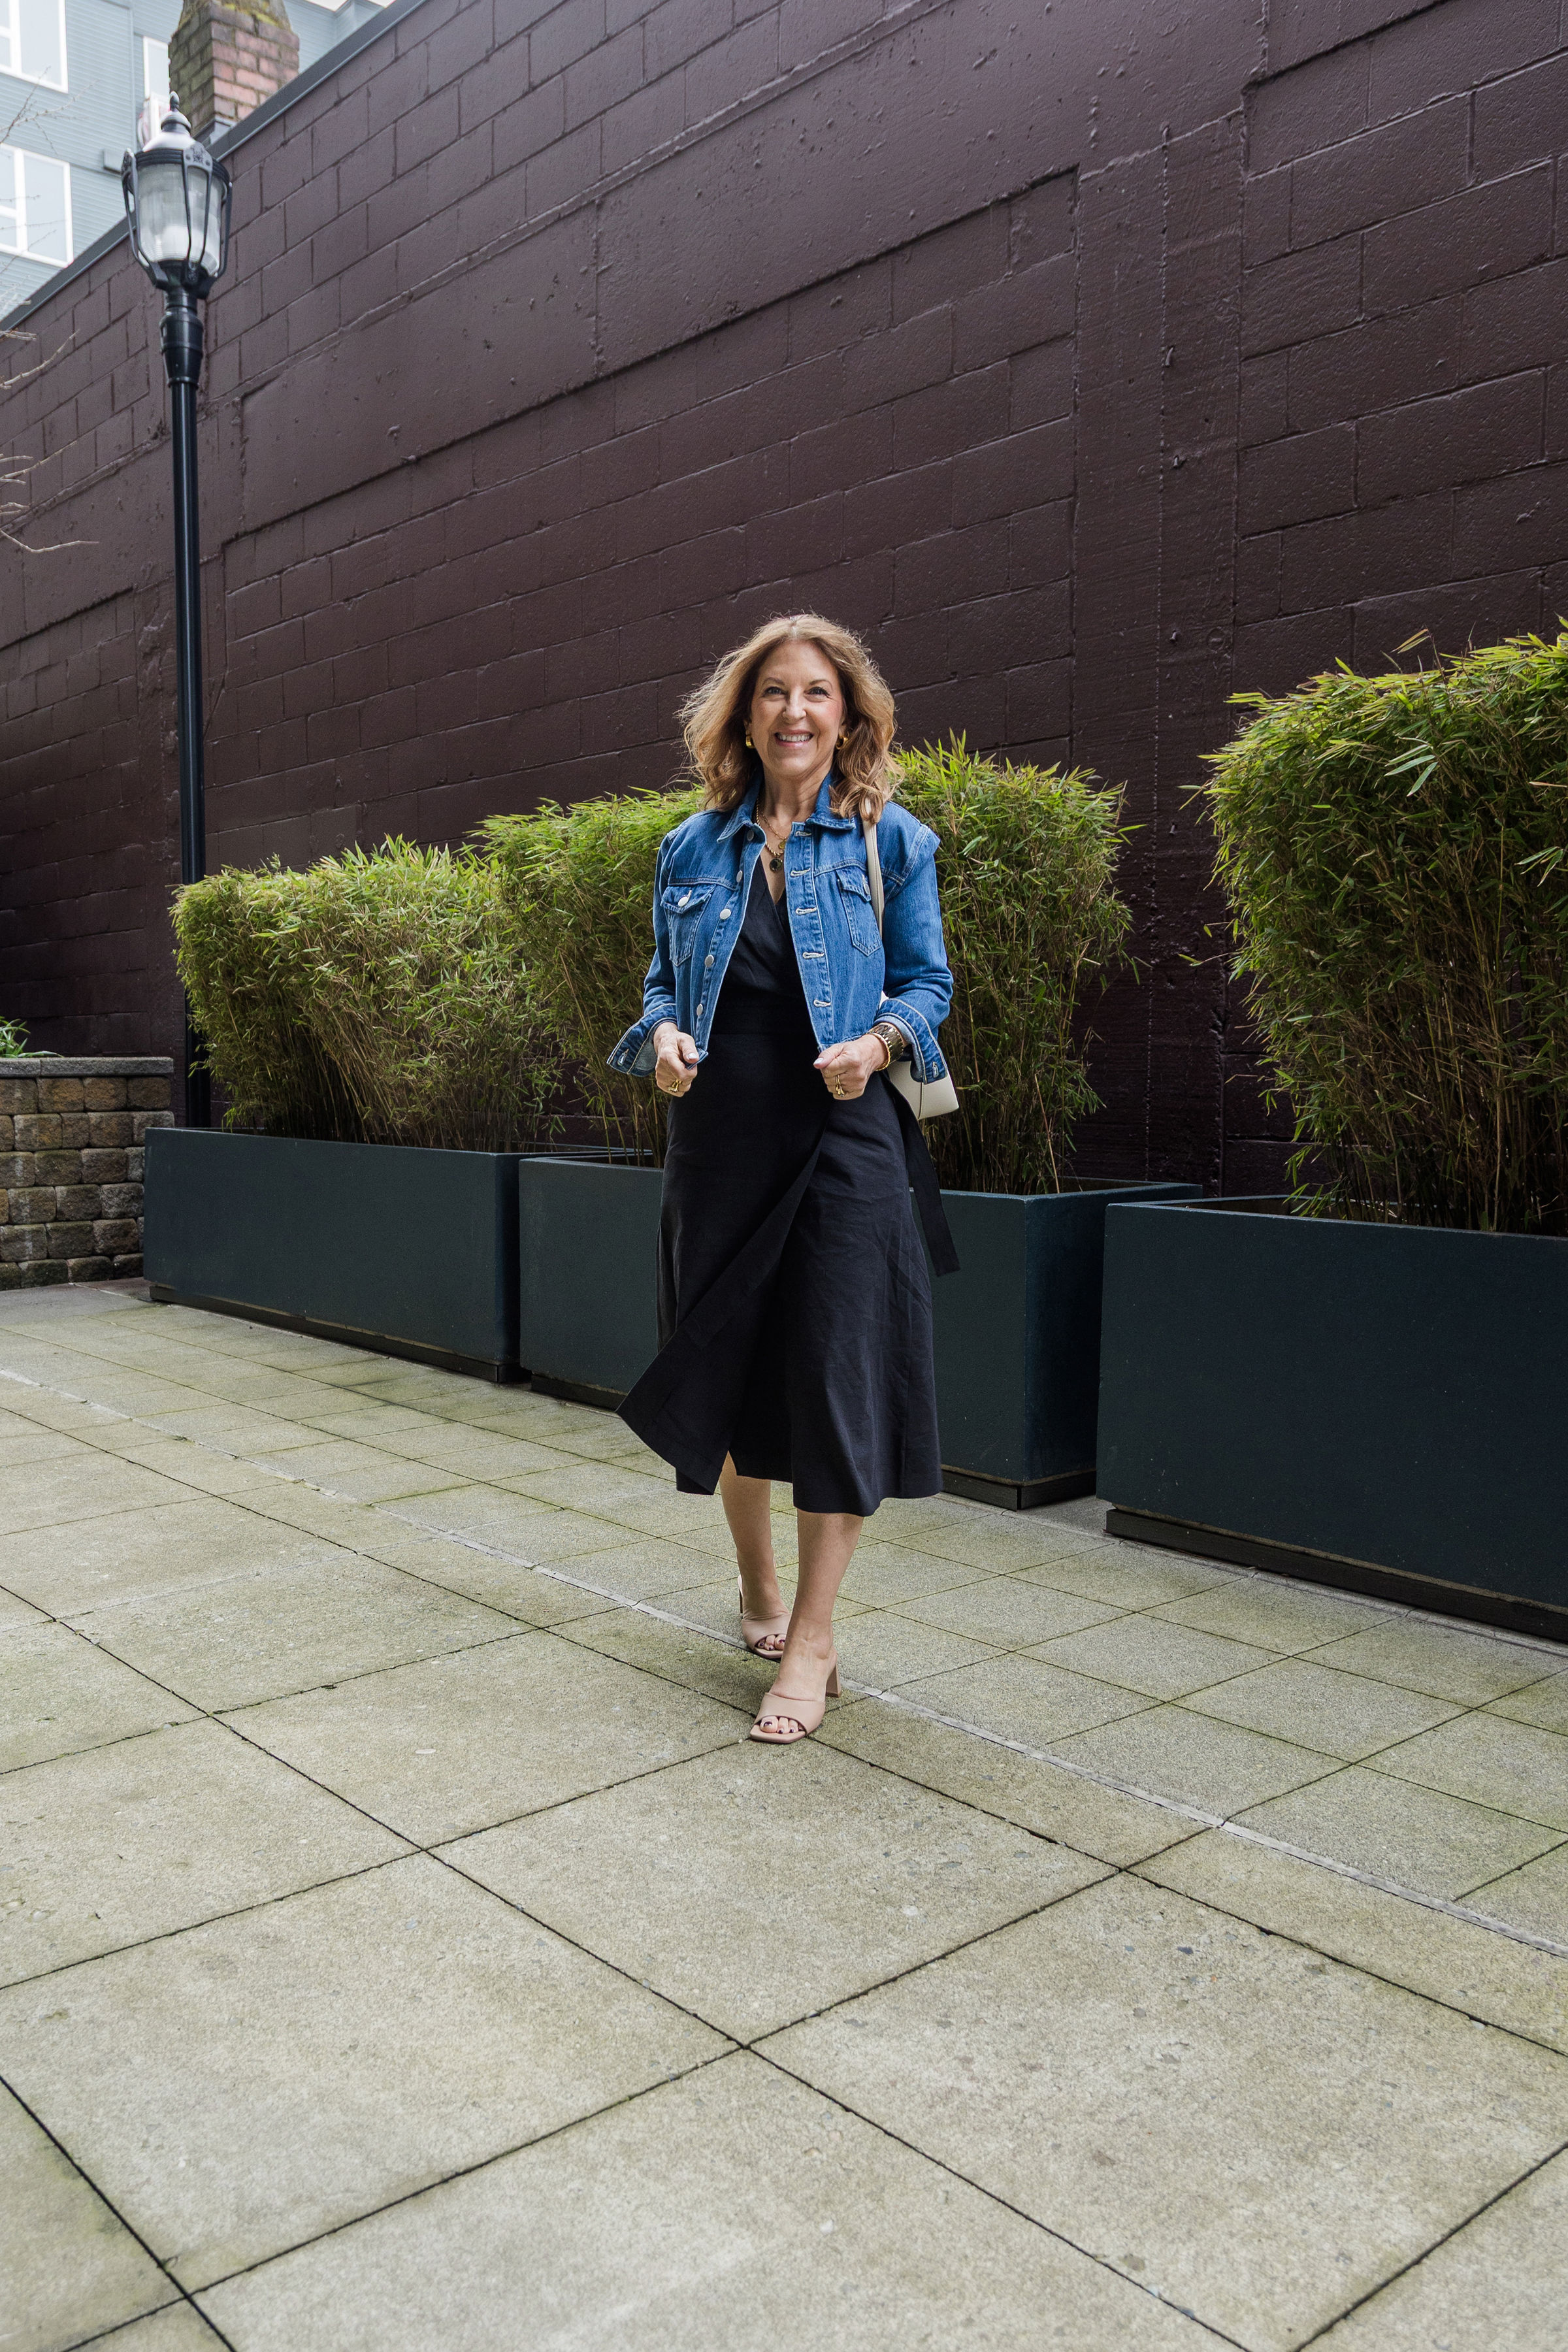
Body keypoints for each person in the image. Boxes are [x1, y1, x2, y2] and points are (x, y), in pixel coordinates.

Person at [608, 613, 958, 1746]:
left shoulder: (889, 840)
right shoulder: (690, 848)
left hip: (845, 1135)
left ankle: (811, 1644)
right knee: (726, 1370)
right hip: (718, 1142)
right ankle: (756, 1584)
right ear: (744, 717)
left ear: (847, 714)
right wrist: (658, 1041)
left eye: (816, 693)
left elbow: (929, 984)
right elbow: (662, 986)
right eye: (773, 694)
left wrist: (878, 1044)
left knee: (839, 1376)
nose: (795, 712)